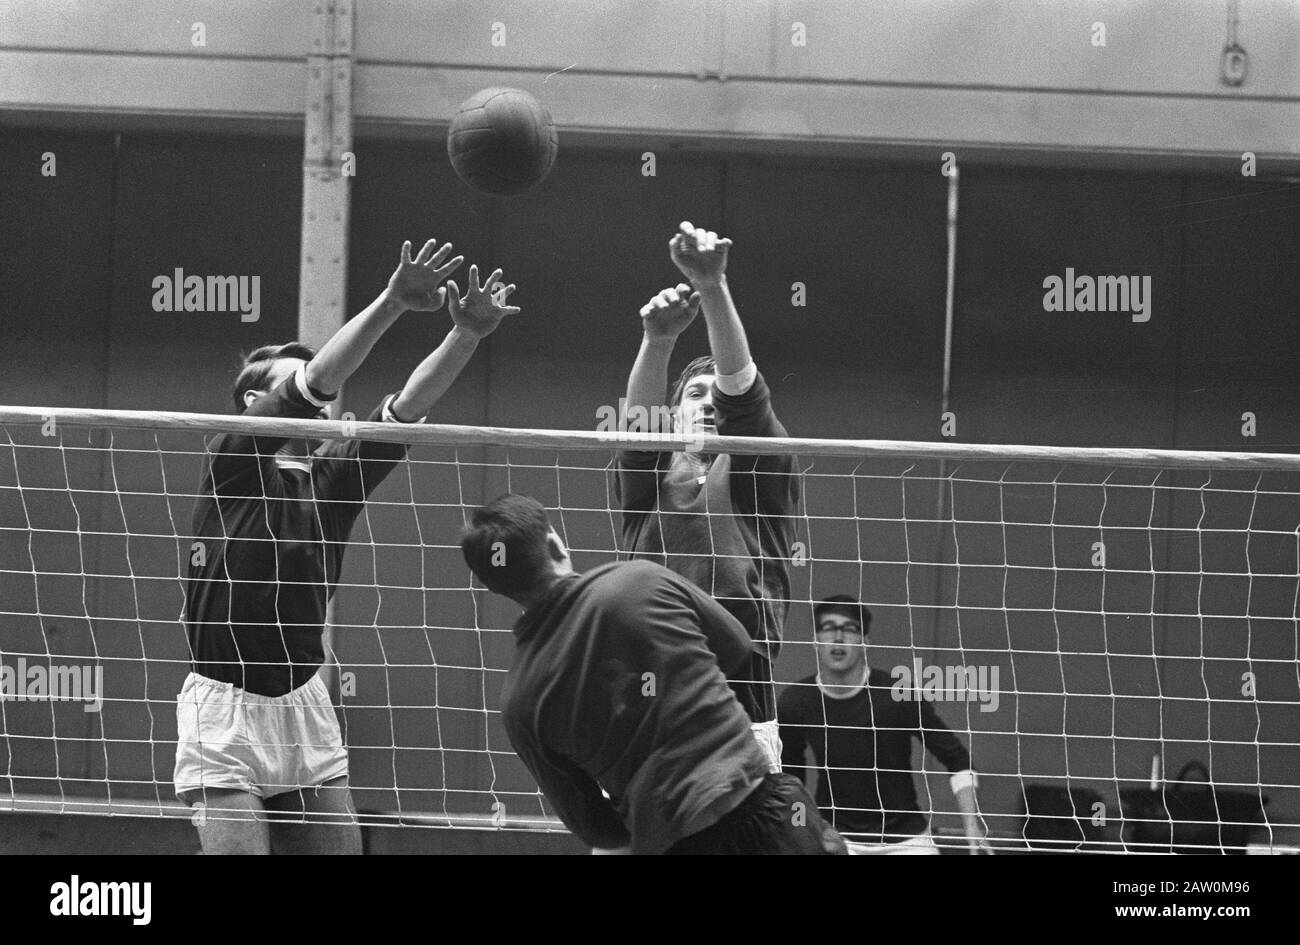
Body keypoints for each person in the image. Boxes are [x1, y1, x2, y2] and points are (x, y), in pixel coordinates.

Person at [175, 240, 519, 854]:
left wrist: (466, 333)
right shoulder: (233, 462)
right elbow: (315, 384)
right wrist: (391, 301)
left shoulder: (332, 479)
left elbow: (409, 407)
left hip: (305, 700)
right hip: (225, 707)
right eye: (296, 392)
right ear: (256, 406)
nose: (319, 403)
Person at [460, 493, 844, 855]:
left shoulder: (520, 702)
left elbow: (593, 826)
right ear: (556, 545)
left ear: (493, 586)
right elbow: (740, 649)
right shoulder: (640, 581)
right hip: (765, 809)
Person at [616, 221, 798, 772]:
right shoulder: (650, 481)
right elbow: (639, 433)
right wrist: (658, 340)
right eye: (695, 393)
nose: (709, 400)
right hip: (649, 673)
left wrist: (711, 286)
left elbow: (742, 391)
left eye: (715, 392)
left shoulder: (756, 467)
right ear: (675, 412)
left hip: (740, 681)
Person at [778, 595, 993, 854]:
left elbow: (957, 759)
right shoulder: (795, 701)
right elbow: (790, 780)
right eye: (828, 628)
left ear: (864, 642)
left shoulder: (897, 693)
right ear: (815, 641)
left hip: (907, 840)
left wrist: (971, 826)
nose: (838, 638)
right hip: (836, 840)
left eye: (849, 629)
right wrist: (800, 832)